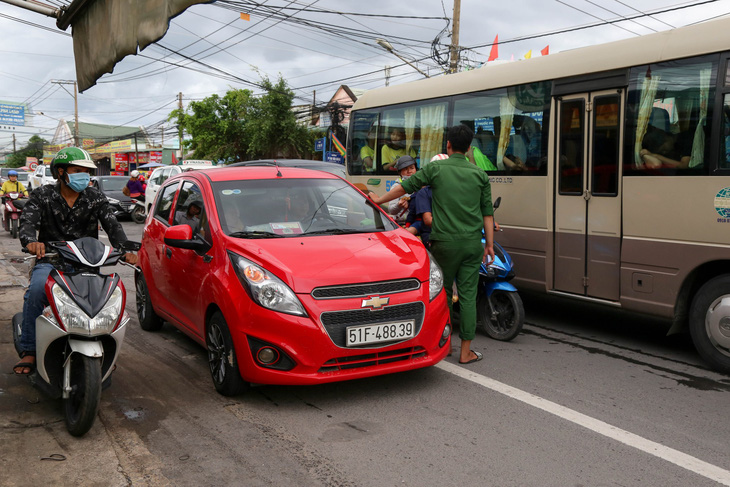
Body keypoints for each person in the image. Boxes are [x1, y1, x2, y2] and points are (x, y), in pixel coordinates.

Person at [370, 125, 495, 365]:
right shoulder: (480, 175)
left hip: (444, 243)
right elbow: (487, 213)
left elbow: (406, 186)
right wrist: (489, 244)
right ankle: (466, 352)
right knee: (468, 297)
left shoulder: (436, 168)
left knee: (444, 294)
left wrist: (379, 199)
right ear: (469, 148)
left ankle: (445, 346)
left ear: (448, 145)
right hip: (472, 244)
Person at [13, 147, 138, 375]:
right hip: (51, 261)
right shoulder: (43, 195)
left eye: (86, 171)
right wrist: (31, 241)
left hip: (87, 263)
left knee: (105, 300)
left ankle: (103, 348)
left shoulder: (95, 197)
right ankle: (29, 348)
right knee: (37, 290)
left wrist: (125, 249)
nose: (84, 176)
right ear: (61, 172)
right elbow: (28, 222)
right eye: (77, 170)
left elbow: (113, 225)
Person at [388, 155, 417, 223]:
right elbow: (391, 210)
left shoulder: (421, 185)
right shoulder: (396, 187)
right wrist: (398, 205)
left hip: (418, 223)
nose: (409, 171)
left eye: (412, 168)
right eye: (405, 169)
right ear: (400, 172)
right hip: (404, 224)